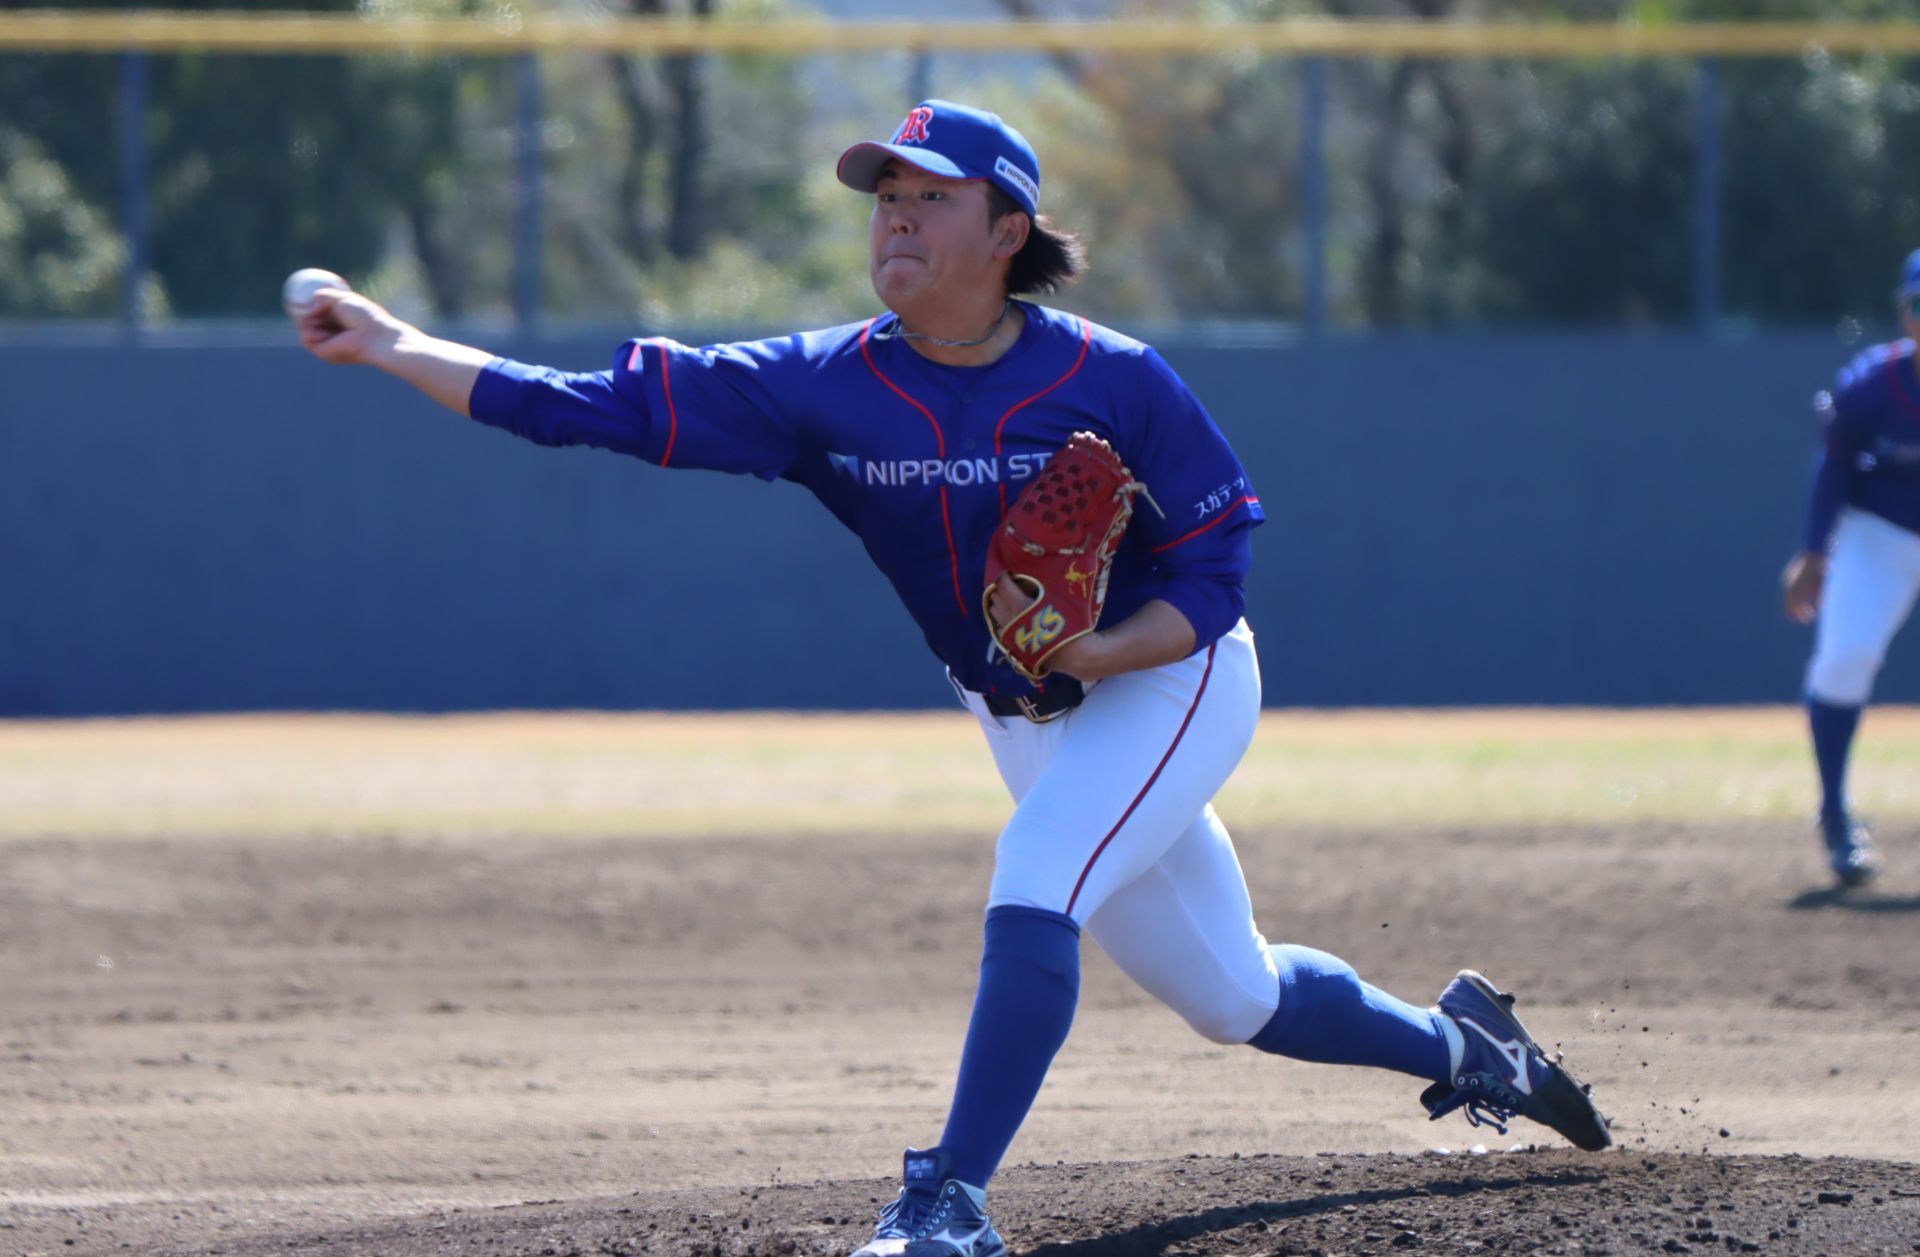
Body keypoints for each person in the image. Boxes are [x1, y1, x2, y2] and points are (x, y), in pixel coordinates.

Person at [297, 99, 1609, 1257]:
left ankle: (948, 1201)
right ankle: (1470, 1046)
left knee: (1037, 870)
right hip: (1020, 714)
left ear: (1007, 230)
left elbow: (1216, 574)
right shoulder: (825, 385)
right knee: (1234, 995)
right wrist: (395, 340)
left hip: (1171, 682)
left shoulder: (1113, 379)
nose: (897, 217)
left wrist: (1105, 650)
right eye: (887, 196)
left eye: (931, 197)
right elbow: (585, 407)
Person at [1779, 249, 1920, 889]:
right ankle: (1835, 812)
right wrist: (1814, 554)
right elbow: (1834, 465)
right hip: (1881, 531)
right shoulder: (1872, 384)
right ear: (1903, 313)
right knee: (1843, 656)